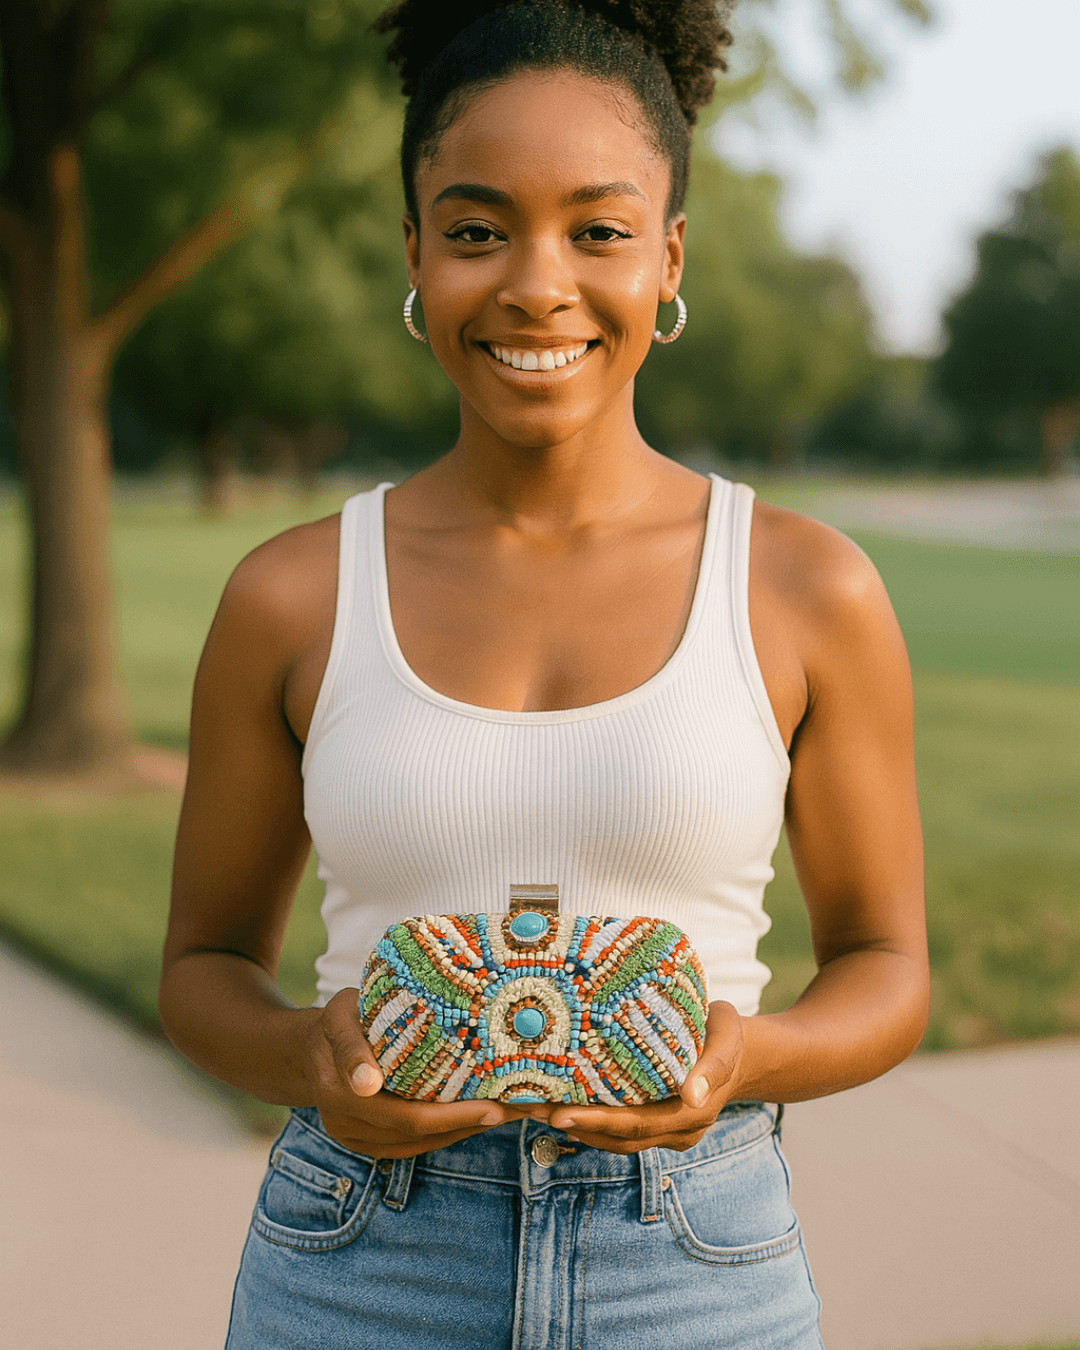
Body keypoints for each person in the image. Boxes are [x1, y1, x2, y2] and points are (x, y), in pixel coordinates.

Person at [160, 2, 928, 1346]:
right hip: (360, 1257)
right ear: (414, 255)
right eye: (475, 230)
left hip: (692, 1259)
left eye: (598, 228)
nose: (534, 281)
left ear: (669, 256)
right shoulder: (289, 597)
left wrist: (743, 1053)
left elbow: (887, 966)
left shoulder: (806, 588)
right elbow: (203, 966)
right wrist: (307, 1057)